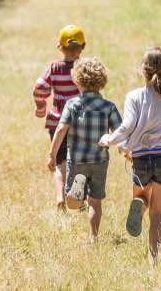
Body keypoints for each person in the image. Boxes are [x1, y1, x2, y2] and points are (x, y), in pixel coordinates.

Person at [99, 47, 161, 263]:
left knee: (141, 196)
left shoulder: (134, 96)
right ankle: (153, 258)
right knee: (158, 214)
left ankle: (139, 206)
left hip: (141, 158)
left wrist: (108, 140)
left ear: (142, 71)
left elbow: (127, 127)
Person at [46, 57, 121, 243]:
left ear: (77, 81)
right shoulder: (108, 106)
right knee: (95, 201)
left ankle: (73, 194)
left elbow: (61, 128)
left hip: (77, 160)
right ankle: (93, 237)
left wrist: (52, 154)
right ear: (102, 82)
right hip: (100, 161)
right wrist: (125, 150)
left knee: (73, 204)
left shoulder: (72, 104)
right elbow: (120, 132)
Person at [34, 24, 86, 210]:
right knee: (79, 160)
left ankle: (60, 196)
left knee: (59, 161)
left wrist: (41, 108)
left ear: (60, 47)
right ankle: (79, 200)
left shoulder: (54, 67)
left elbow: (39, 88)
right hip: (81, 122)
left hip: (57, 122)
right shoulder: (84, 68)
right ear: (83, 46)